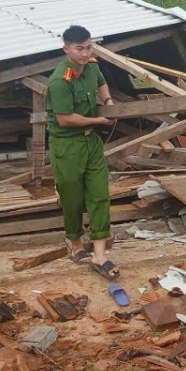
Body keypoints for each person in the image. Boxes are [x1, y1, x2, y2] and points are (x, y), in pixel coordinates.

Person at [47, 25, 118, 279]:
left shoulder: (92, 68)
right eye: (79, 49)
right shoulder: (59, 81)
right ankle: (75, 243)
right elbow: (65, 119)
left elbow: (101, 83)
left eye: (89, 47)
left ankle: (100, 254)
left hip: (91, 143)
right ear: (65, 48)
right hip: (67, 146)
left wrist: (108, 101)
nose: (85, 54)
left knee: (100, 194)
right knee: (72, 197)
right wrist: (99, 121)